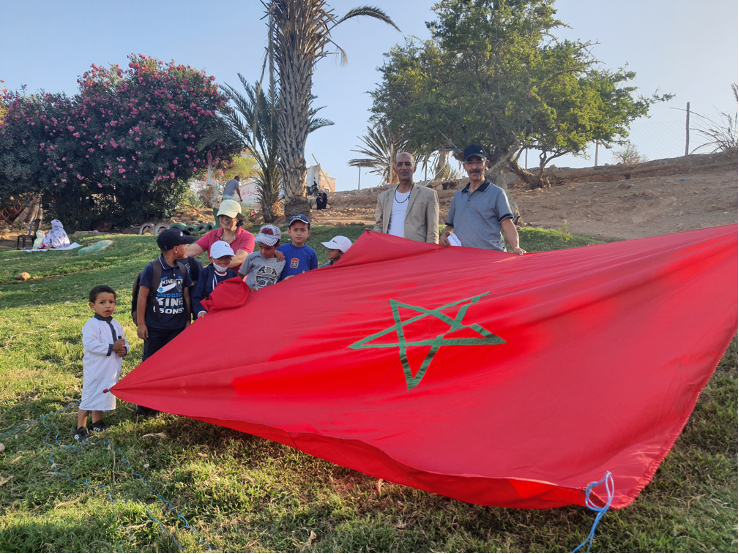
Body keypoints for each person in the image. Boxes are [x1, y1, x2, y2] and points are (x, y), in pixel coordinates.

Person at [136, 228, 195, 416]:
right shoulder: (152, 268)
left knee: (172, 365)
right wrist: (141, 324)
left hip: (176, 328)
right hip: (155, 328)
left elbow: (186, 296)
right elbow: (142, 297)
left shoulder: (183, 269)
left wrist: (187, 321)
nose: (187, 247)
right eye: (185, 244)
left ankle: (164, 401)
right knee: (150, 364)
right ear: (176, 249)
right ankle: (143, 403)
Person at [441, 144, 526, 255]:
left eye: (478, 162)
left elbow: (507, 223)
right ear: (464, 166)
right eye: (470, 163)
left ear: (486, 164)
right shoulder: (458, 196)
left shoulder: (497, 193)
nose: (474, 167)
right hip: (462, 257)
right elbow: (450, 226)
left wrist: (516, 247)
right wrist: (445, 235)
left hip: (491, 257)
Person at [74, 285, 129, 442]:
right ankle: (80, 428)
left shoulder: (115, 324)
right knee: (90, 396)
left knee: (103, 394)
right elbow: (90, 345)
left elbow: (123, 340)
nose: (108, 306)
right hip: (96, 370)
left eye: (111, 302)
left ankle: (96, 422)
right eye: (102, 302)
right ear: (92, 306)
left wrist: (124, 349)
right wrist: (112, 347)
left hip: (111, 370)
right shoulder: (91, 325)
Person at [373, 152, 440, 243]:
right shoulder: (383, 197)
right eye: (400, 164)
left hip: (415, 249)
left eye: (408, 164)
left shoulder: (429, 195)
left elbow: (432, 231)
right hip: (389, 248)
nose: (404, 168)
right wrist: (373, 236)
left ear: (414, 169)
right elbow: (379, 225)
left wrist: (432, 250)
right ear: (395, 169)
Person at [185, 199, 255, 270]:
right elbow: (189, 251)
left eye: (229, 216)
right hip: (214, 276)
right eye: (222, 216)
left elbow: (239, 258)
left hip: (236, 276)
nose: (225, 219)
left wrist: (211, 268)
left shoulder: (247, 237)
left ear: (238, 218)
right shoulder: (212, 235)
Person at [192, 241, 238, 319]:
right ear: (211, 259)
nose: (224, 260)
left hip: (228, 315)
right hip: (210, 314)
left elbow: (237, 294)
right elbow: (197, 295)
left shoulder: (232, 274)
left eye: (227, 257)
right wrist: (201, 311)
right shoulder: (205, 273)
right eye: (220, 257)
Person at [238, 225, 286, 291]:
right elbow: (240, 276)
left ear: (277, 246)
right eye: (260, 247)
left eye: (268, 248)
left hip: (269, 295)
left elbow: (277, 280)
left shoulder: (281, 261)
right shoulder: (251, 257)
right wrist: (245, 288)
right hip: (250, 294)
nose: (263, 251)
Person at [277, 214, 318, 280]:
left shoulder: (311, 253)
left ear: (308, 233)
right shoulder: (280, 249)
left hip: (303, 285)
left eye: (303, 230)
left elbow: (314, 275)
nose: (299, 233)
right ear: (289, 232)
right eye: (295, 230)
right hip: (283, 285)